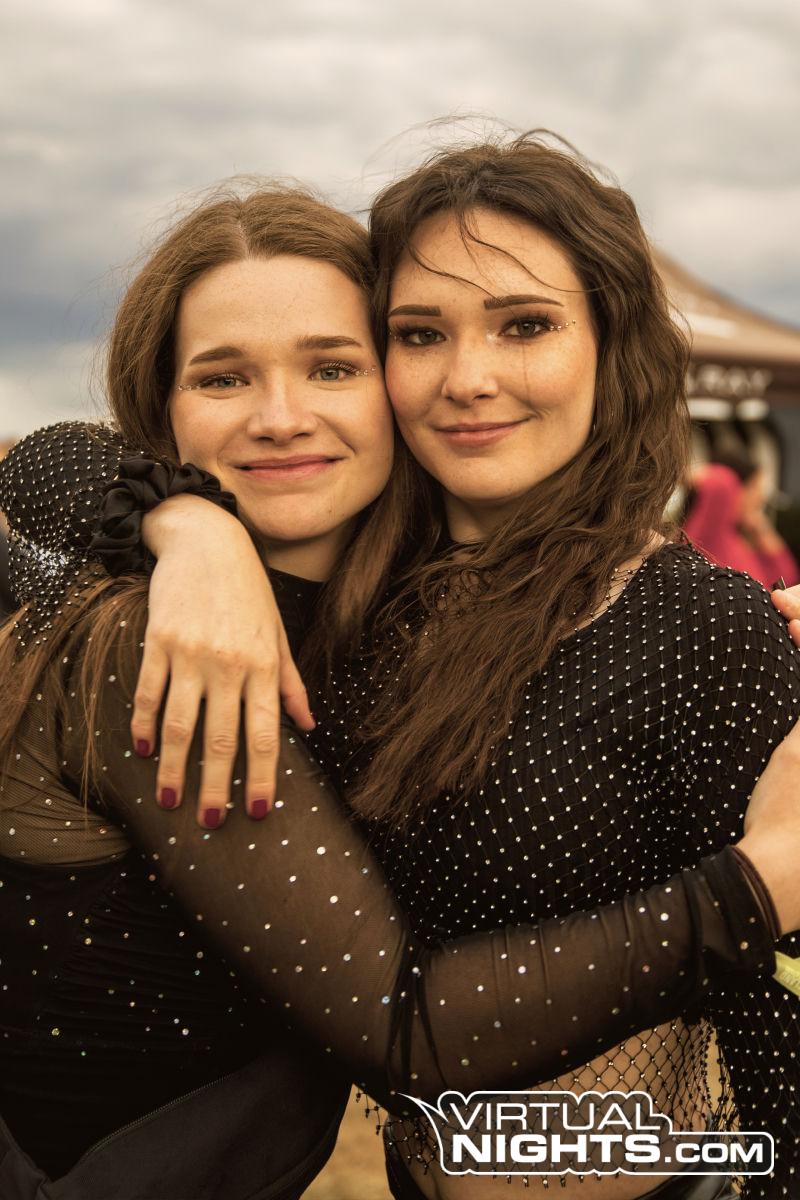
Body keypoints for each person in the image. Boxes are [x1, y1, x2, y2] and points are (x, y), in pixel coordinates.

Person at [3, 139, 800, 1200]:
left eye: (526, 325)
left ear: (613, 345)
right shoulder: (279, 617)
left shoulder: (696, 623)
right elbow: (38, 465)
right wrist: (192, 528)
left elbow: (772, 1023)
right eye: (420, 334)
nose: (468, 378)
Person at [684, 455, 799, 589]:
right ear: (733, 489)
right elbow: (721, 481)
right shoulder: (711, 534)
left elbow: (788, 579)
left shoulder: (739, 541)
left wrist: (762, 530)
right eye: (753, 486)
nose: (760, 496)